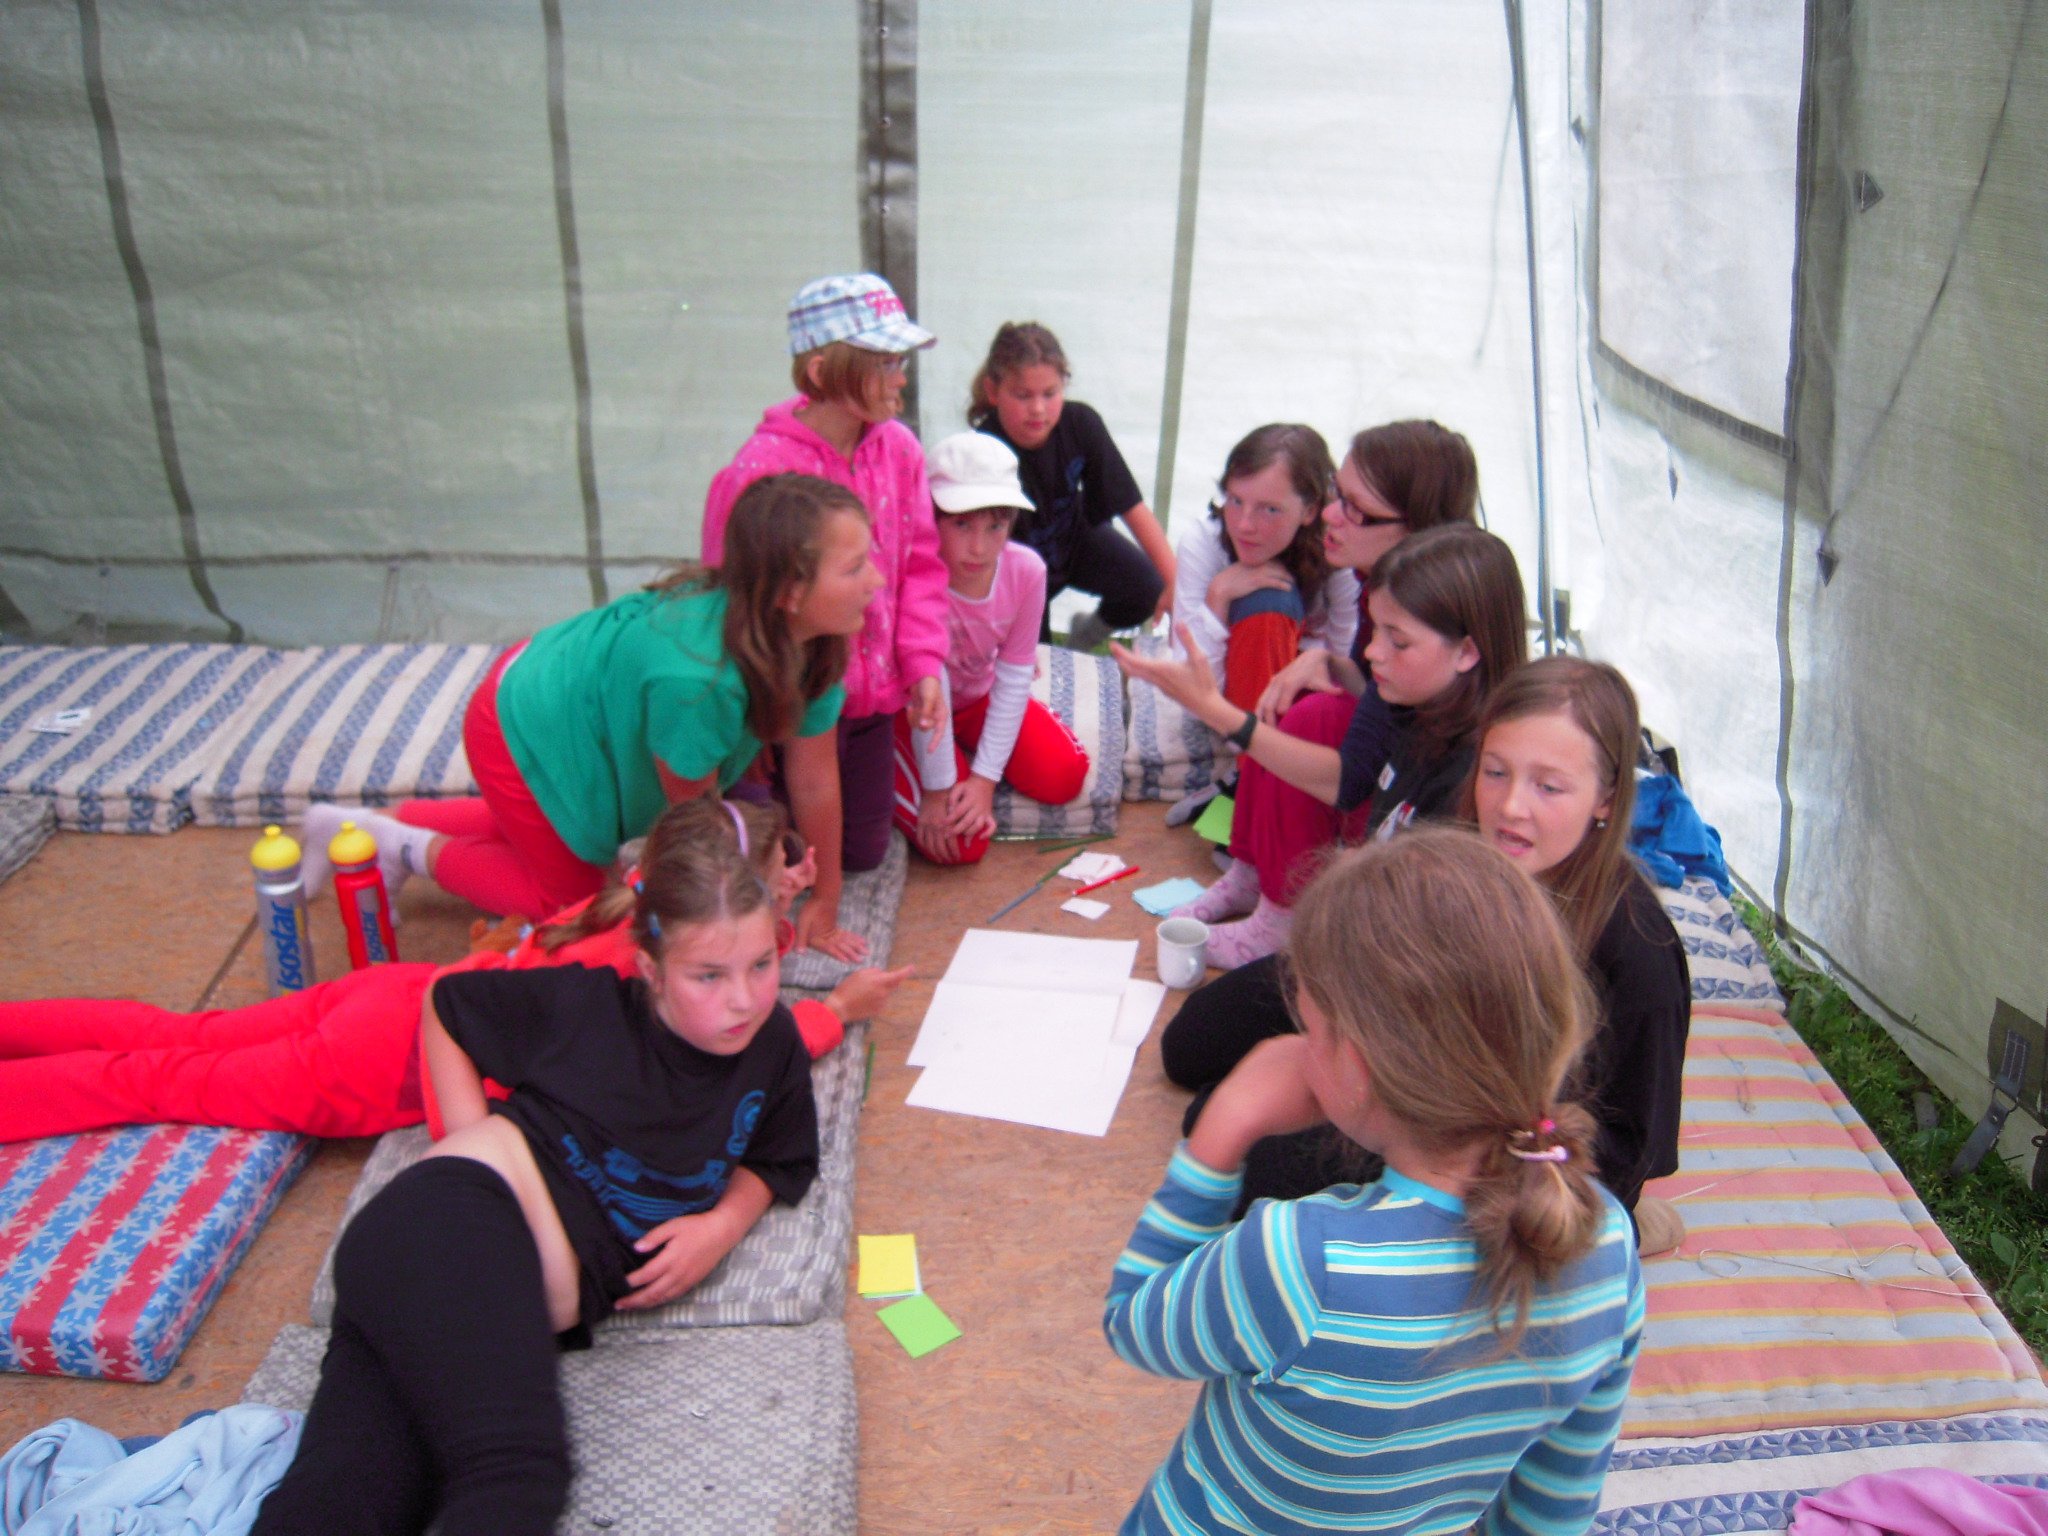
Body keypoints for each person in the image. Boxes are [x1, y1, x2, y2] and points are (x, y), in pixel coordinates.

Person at [250, 800, 825, 1535]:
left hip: (434, 1292)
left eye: (762, 965)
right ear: (650, 969)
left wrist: (720, 1228)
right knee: (516, 1478)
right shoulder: (589, 1008)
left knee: (344, 1504)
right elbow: (447, 1001)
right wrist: (466, 1146)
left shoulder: (771, 1044)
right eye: (708, 976)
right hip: (451, 1225)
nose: (743, 999)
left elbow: (780, 1157)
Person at [1105, 829, 1643, 1536]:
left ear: (1356, 1068)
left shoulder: (1298, 1259)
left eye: (1312, 1028)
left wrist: (1222, 1131)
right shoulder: (1607, 1245)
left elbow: (1133, 1323)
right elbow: (1552, 1508)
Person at [1162, 657, 1694, 1254]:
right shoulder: (1467, 850)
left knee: (1237, 1146)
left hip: (1474, 1149)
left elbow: (1629, 1151)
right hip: (1413, 1076)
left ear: (1606, 799)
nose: (1511, 806)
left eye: (1548, 786)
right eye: (1495, 772)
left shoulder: (1637, 950)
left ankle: (1630, 1235)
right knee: (1192, 1043)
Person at [0, 799, 910, 1144]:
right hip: (374, 1063)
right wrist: (833, 1010)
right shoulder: (628, 979)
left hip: (385, 996)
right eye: (775, 877)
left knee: (180, 1035)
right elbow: (737, 1038)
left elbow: (727, 968)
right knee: (160, 1081)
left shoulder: (629, 902)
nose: (791, 885)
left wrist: (783, 910)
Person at [299, 474, 874, 957]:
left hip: (567, 693)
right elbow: (696, 827)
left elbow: (815, 779)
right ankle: (395, 844)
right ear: (789, 593)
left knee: (553, 834)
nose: (876, 580)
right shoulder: (698, 682)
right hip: (521, 722)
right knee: (577, 906)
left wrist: (825, 897)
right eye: (855, 568)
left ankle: (367, 821)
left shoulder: (814, 639)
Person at [1114, 521, 1527, 965]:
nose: (1372, 652)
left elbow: (1415, 941)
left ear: (1467, 652)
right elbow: (1350, 781)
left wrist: (1217, 711)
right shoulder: (1408, 700)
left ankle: (1278, 919)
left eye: (1398, 640)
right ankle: (1253, 879)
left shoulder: (1476, 778)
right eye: (1376, 630)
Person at [701, 274, 951, 906]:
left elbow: (922, 566)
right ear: (822, 370)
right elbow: (728, 594)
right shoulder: (759, 469)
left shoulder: (901, 450)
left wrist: (923, 664)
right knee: (778, 851)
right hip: (789, 697)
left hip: (871, 701)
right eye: (886, 363)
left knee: (862, 851)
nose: (901, 378)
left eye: (901, 362)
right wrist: (751, 719)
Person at [891, 433, 1091, 864]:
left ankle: (961, 763)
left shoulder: (1027, 571)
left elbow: (1015, 673)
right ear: (930, 516)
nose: (979, 548)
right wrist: (937, 789)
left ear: (1012, 522)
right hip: (914, 711)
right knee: (961, 844)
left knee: (1065, 775)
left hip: (977, 698)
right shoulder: (912, 573)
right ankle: (882, 768)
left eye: (995, 526)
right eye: (961, 525)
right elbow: (928, 680)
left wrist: (984, 779)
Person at [968, 321, 1174, 646]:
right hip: (1018, 569)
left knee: (1148, 586)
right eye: (1023, 395)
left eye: (1050, 394)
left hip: (1074, 539)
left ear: (1064, 385)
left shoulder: (1081, 423)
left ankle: (1082, 640)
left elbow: (1131, 506)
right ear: (993, 392)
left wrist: (1175, 583)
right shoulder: (982, 449)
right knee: (1034, 660)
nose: (1038, 409)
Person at [1171, 423, 1358, 717]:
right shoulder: (1203, 541)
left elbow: (1344, 668)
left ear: (1310, 510)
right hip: (1231, 699)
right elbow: (1190, 694)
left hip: (1307, 687)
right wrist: (1218, 596)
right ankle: (1257, 738)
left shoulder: (1337, 548)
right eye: (1235, 501)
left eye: (1269, 509)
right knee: (1267, 601)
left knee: (1274, 601)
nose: (1244, 525)